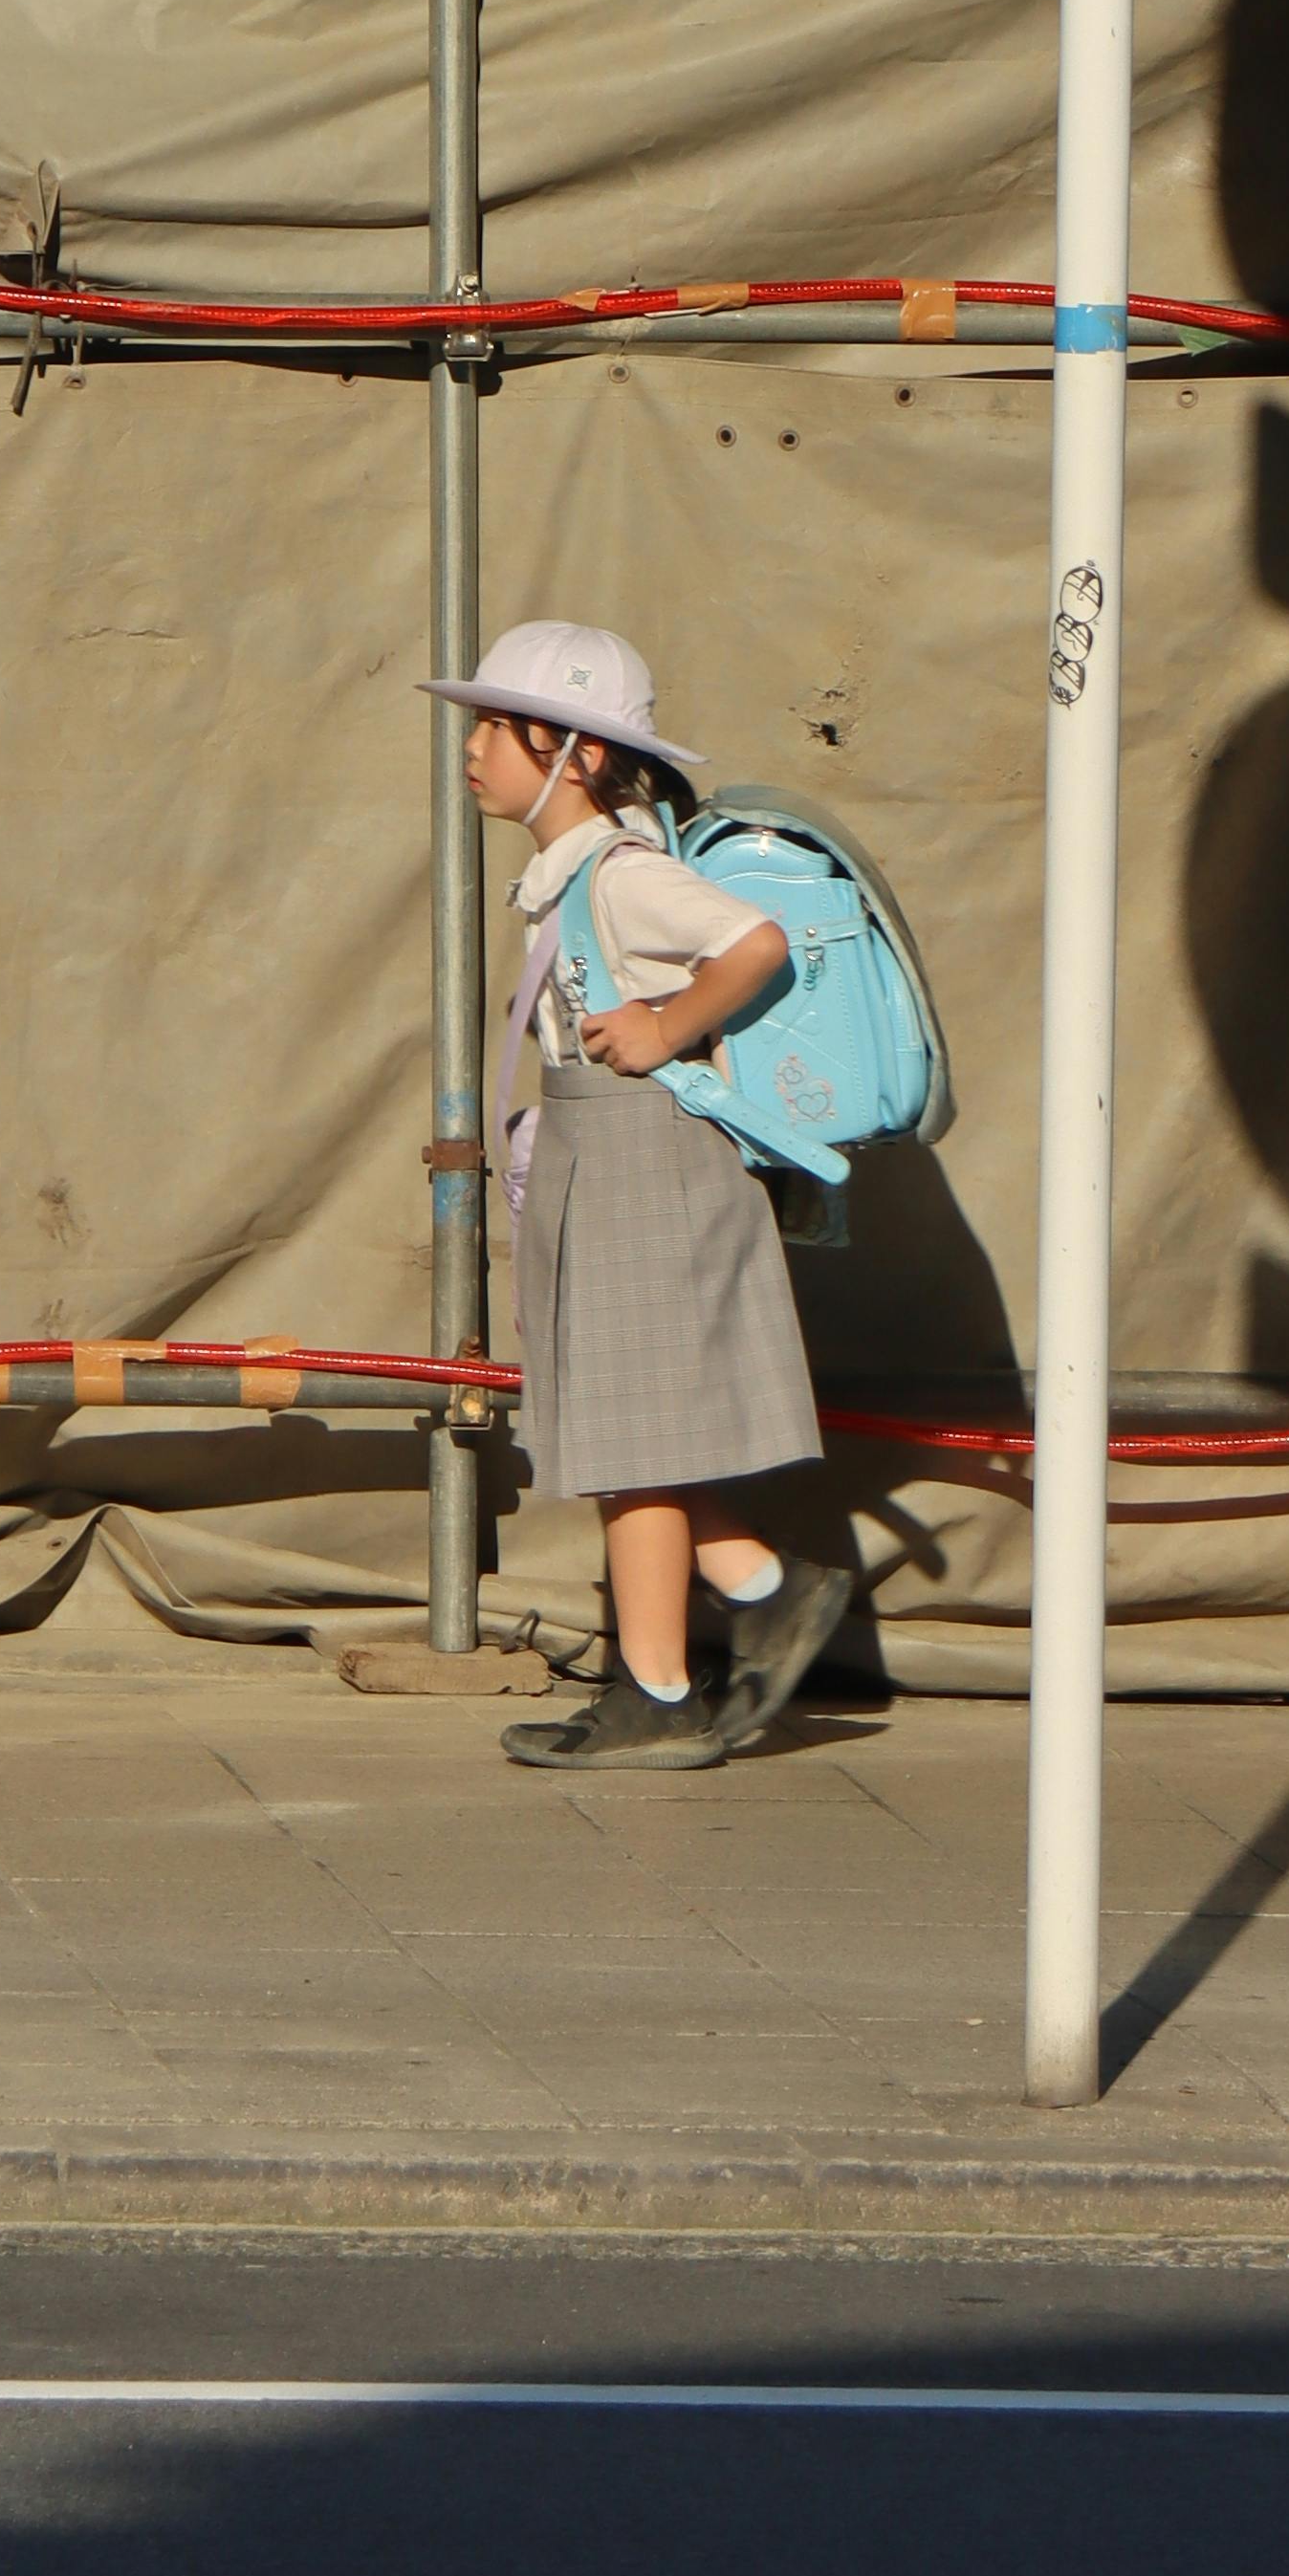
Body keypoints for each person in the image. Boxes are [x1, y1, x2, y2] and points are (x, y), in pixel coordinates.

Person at [436, 617, 854, 1769]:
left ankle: (662, 1690)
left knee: (633, 1445)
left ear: (568, 748)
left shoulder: (625, 875)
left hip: (642, 1149)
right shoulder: (577, 871)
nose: (470, 748)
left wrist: (666, 1023)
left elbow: (753, 940)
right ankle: (760, 1591)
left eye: (491, 727)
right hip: (598, 1143)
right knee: (634, 1437)